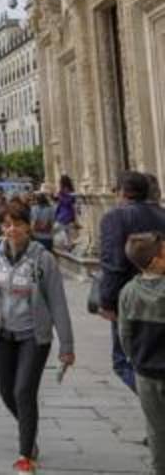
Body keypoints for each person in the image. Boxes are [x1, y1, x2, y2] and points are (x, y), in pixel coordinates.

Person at [0, 200, 75, 474]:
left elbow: (58, 303)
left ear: (28, 226)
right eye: (7, 224)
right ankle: (28, 432)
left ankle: (25, 454)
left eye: (18, 224)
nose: (12, 230)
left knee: (23, 392)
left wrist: (66, 345)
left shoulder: (43, 259)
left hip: (33, 335)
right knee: (6, 391)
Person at [98, 171, 165, 393]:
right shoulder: (161, 214)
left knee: (124, 360)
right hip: (160, 294)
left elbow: (113, 264)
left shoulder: (114, 218)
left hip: (129, 299)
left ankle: (153, 400)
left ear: (122, 192)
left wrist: (107, 301)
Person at [119, 231, 165, 475]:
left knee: (156, 429)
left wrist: (133, 358)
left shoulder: (128, 292)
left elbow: (124, 334)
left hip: (145, 372)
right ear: (157, 261)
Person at [55, 175, 78, 252]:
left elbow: (64, 203)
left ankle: (68, 245)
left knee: (64, 231)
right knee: (67, 231)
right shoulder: (71, 191)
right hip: (68, 214)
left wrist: (60, 198)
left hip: (64, 214)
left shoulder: (62, 192)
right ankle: (69, 245)